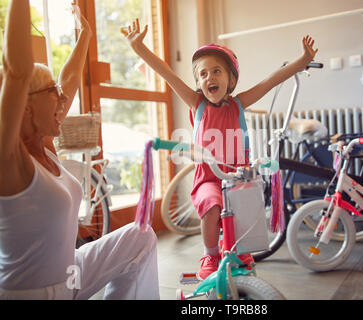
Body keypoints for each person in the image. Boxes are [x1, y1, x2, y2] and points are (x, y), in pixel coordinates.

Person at [123, 18, 318, 280]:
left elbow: (271, 81)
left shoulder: (238, 104)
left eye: (216, 71)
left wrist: (302, 59)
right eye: (203, 74)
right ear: (198, 83)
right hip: (209, 178)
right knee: (213, 205)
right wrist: (140, 49)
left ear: (231, 79)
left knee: (246, 205)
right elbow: (167, 74)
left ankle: (236, 249)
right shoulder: (196, 103)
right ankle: (210, 254)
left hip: (238, 175)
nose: (209, 77)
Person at [0, 1, 159, 299]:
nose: (63, 100)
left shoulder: (43, 144)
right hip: (34, 293)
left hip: (69, 276)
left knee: (140, 235)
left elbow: (69, 80)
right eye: (53, 92)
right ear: (26, 106)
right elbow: (16, 72)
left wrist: (84, 33)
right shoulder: (8, 161)